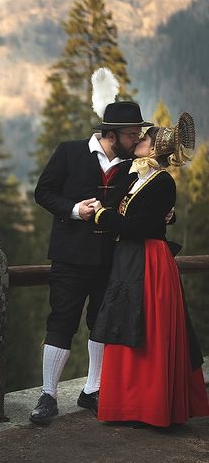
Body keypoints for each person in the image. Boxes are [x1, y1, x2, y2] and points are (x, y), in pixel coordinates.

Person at [30, 99, 154, 424]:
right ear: (111, 134)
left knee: (100, 323)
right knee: (61, 322)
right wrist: (75, 210)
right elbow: (42, 192)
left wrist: (166, 214)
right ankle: (48, 395)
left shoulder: (131, 166)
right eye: (131, 135)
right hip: (69, 258)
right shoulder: (69, 152)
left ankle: (92, 390)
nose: (136, 140)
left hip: (109, 259)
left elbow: (142, 203)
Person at [91, 112, 209, 426]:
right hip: (128, 259)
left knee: (148, 329)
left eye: (144, 139)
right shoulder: (134, 177)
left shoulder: (162, 181)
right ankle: (127, 404)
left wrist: (103, 216)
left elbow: (140, 226)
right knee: (125, 322)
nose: (138, 141)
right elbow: (138, 213)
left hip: (149, 260)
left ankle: (150, 407)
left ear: (156, 148)